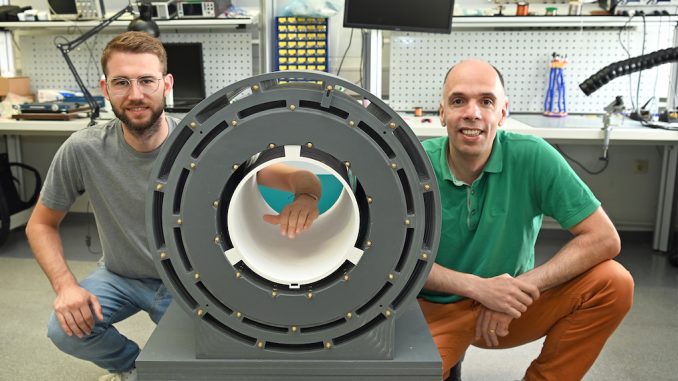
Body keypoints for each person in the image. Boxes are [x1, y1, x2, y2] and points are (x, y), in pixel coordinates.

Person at [25, 31, 321, 381]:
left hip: (189, 283)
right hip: (120, 275)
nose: (135, 95)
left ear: (166, 84)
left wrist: (307, 197)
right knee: (64, 330)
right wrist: (66, 287)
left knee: (227, 360)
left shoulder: (205, 146)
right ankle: (130, 368)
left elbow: (301, 179)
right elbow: (40, 224)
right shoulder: (83, 149)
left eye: (146, 81)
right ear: (105, 89)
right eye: (121, 82)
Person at [418, 59, 634, 381]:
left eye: (486, 101)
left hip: (511, 307)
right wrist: (480, 289)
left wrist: (516, 289)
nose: (472, 113)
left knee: (613, 283)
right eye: (458, 100)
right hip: (433, 310)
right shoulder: (415, 166)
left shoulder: (532, 155)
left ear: (503, 113)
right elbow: (392, 259)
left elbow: (604, 238)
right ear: (442, 112)